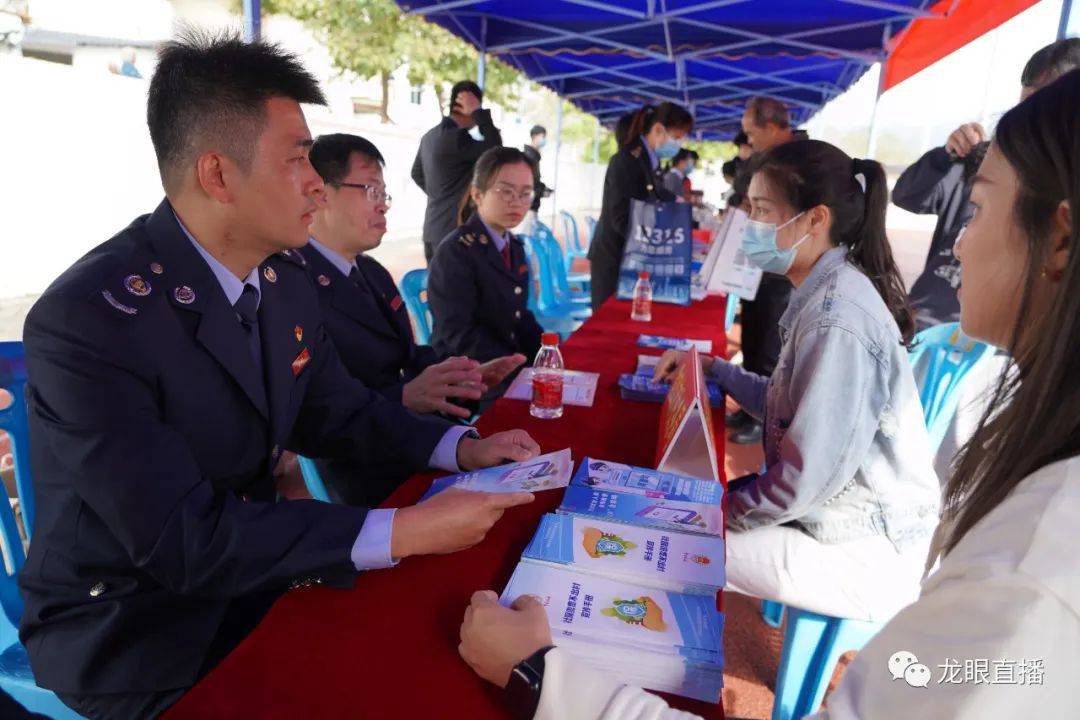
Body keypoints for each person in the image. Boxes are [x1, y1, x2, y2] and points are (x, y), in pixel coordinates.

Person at [18, 32, 539, 720]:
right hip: (136, 629)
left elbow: (342, 411)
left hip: (256, 576)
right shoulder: (92, 320)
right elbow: (186, 541)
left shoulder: (281, 280)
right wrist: (404, 528)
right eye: (296, 158)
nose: (316, 182)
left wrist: (461, 449)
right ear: (218, 175)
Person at [456, 139, 949, 719]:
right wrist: (713, 369)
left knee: (663, 545)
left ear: (815, 219)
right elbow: (790, 406)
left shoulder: (838, 317)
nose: (748, 225)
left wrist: (707, 511)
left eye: (762, 211)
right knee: (658, 515)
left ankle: (583, 672)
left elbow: (801, 481)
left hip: (856, 547)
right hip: (832, 520)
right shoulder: (823, 293)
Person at [299, 133, 527, 504]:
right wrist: (404, 396)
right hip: (363, 465)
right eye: (371, 191)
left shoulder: (370, 272)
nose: (383, 207)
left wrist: (465, 377)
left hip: (410, 434)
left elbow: (410, 355)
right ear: (321, 193)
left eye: (383, 194)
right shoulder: (295, 284)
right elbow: (320, 410)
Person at [895, 37, 1080, 332]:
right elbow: (905, 195)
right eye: (1023, 113)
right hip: (921, 329)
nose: (960, 247)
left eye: (979, 209)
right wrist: (946, 156)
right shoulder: (976, 161)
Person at [428, 147, 544, 376]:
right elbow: (457, 334)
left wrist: (547, 352)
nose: (516, 202)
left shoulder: (515, 247)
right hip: (467, 374)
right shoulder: (456, 252)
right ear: (477, 194)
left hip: (506, 364)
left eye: (525, 193)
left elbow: (519, 316)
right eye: (505, 191)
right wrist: (515, 366)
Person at [727, 95, 798, 444]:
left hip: (783, 268)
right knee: (752, 336)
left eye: (752, 132)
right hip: (758, 262)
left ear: (771, 127)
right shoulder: (764, 157)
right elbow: (741, 190)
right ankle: (747, 404)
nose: (749, 140)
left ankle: (762, 418)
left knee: (770, 343)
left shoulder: (804, 157)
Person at [588, 102, 694, 309]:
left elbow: (655, 196)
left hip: (632, 258)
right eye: (678, 137)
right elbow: (622, 217)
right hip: (615, 258)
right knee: (609, 326)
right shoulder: (627, 161)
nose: (679, 144)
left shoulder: (648, 162)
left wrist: (677, 204)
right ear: (658, 130)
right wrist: (657, 242)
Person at [411, 80, 503, 262]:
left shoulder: (429, 137)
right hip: (453, 233)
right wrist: (479, 113)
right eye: (476, 106)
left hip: (431, 230)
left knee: (438, 289)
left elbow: (416, 174)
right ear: (466, 105)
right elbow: (496, 152)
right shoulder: (457, 139)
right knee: (458, 290)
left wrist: (441, 195)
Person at [522, 124, 553, 230]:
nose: (544, 140)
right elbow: (529, 183)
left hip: (532, 205)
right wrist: (541, 191)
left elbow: (535, 181)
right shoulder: (530, 157)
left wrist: (543, 189)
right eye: (542, 136)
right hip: (528, 207)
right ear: (534, 137)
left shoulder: (534, 156)